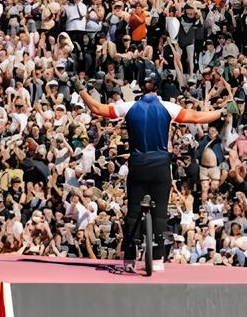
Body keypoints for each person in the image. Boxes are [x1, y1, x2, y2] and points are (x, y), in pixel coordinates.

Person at [81, 63, 221, 269]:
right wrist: (221, 111)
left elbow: (96, 108)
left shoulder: (128, 106)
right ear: (157, 86)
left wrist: (80, 89)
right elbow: (198, 117)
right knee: (161, 213)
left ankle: (129, 258)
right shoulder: (167, 107)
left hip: (138, 163)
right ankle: (156, 259)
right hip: (160, 164)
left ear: (140, 86)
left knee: (134, 210)